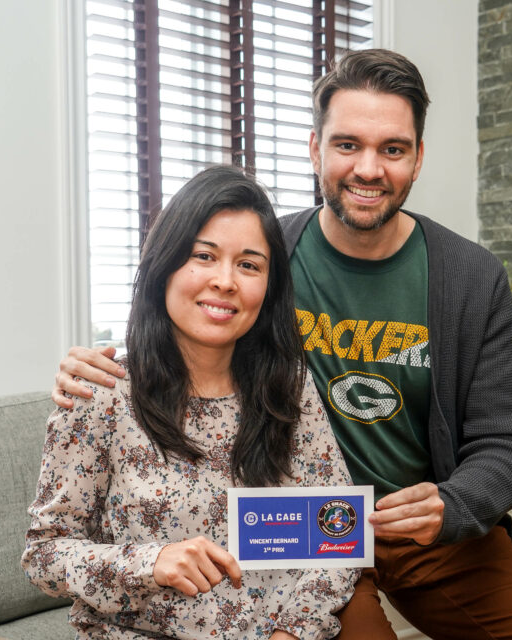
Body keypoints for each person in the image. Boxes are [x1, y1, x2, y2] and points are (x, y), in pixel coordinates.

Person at [52, 51, 512, 638]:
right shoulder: (265, 256)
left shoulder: (471, 277)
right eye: (347, 145)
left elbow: (501, 440)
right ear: (315, 149)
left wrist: (454, 503)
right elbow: (186, 314)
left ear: (417, 159)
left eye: (393, 148)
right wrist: (101, 362)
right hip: (298, 537)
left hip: (421, 532)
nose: (369, 168)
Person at [24, 166, 359, 639]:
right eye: (203, 255)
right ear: (164, 265)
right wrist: (150, 561)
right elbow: (43, 554)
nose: (225, 281)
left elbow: (337, 537)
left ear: (269, 286)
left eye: (249, 264)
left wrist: (292, 632)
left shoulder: (290, 389)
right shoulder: (101, 392)